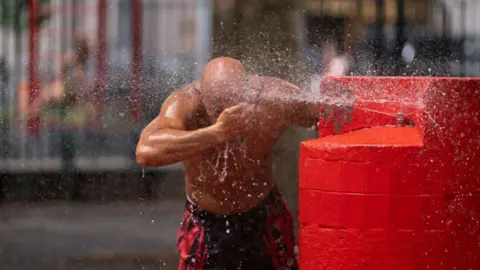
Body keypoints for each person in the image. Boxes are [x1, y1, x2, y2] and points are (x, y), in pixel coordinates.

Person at [136, 57, 337, 270]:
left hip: (264, 216)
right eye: (217, 111)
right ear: (202, 98)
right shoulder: (184, 104)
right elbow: (145, 152)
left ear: (248, 94)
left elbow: (327, 116)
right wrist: (216, 133)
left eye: (235, 106)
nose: (227, 116)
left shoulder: (272, 99)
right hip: (205, 223)